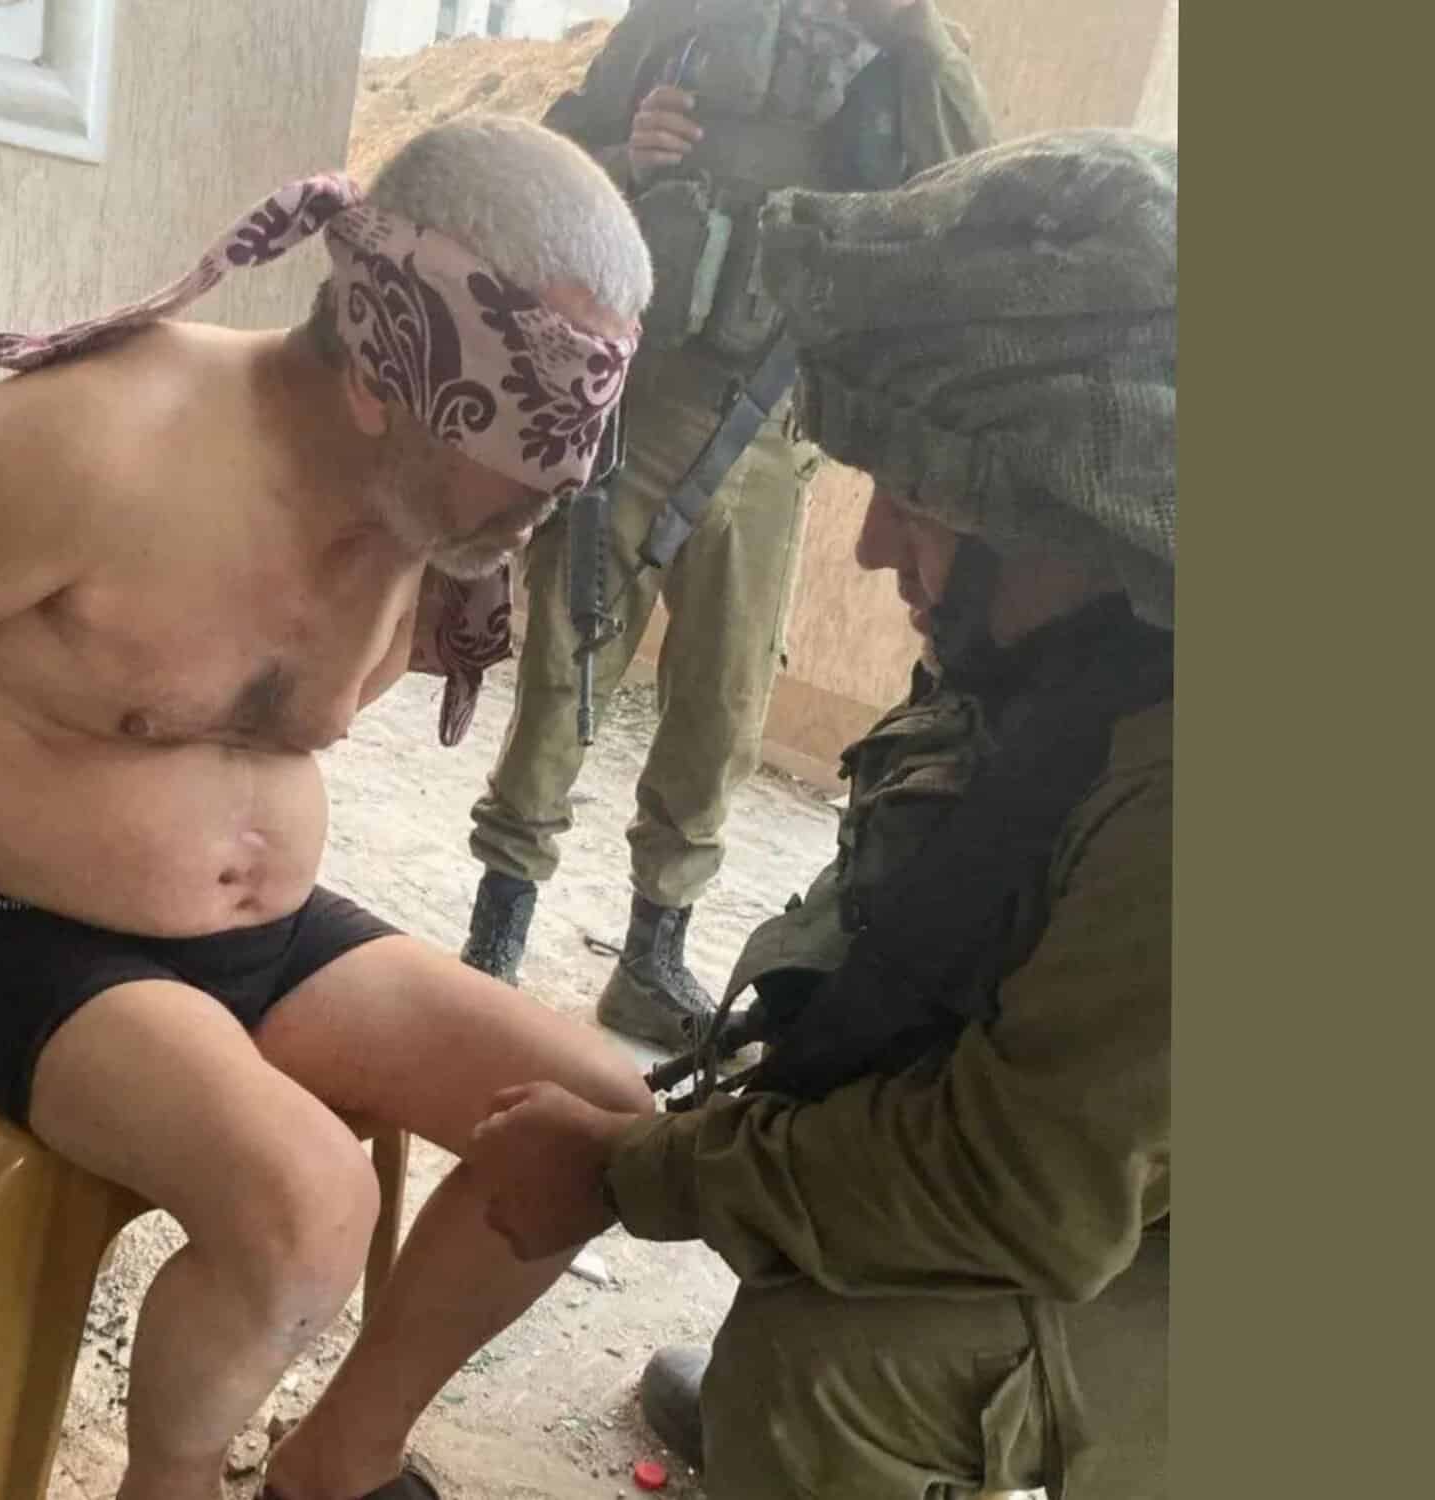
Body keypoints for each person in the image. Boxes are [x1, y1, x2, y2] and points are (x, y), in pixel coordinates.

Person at [0, 116, 660, 1500]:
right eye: (518, 458)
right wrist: (34, 799)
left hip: (274, 946)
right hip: (25, 943)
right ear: (382, 369)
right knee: (310, 1206)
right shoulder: (92, 439)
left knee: (600, 1123)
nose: (538, 509)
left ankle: (338, 1463)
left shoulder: (426, 511)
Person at [469, 127, 1177, 1499]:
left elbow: (1021, 1187)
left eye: (918, 501)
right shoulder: (1088, 648)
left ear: (1078, 517)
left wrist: (636, 1175)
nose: (869, 544)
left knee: (826, 1370)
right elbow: (915, 961)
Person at [461, 0, 997, 1052]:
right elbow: (549, 169)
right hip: (640, 404)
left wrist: (914, 33)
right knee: (567, 666)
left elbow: (971, 204)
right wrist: (626, 153)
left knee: (723, 702)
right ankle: (495, 938)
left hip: (774, 428)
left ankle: (651, 958)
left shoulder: (906, 52)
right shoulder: (680, 18)